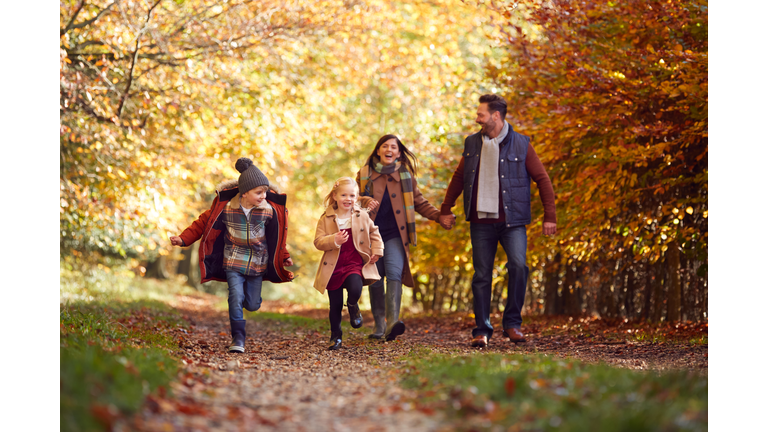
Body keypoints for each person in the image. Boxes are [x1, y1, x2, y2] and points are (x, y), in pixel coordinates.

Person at [439, 94, 557, 348]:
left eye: (481, 114)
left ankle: (513, 324)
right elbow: (459, 177)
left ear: (495, 115)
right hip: (481, 222)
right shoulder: (472, 143)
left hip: (512, 222)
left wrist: (550, 216)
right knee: (482, 275)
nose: (477, 118)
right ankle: (481, 330)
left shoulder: (522, 144)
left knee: (518, 266)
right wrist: (445, 209)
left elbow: (543, 179)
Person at [170, 158, 294, 353]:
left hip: (257, 263)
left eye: (265, 191)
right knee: (235, 296)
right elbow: (202, 223)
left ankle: (249, 302)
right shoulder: (227, 208)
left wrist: (284, 256)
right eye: (259, 192)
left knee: (252, 304)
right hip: (233, 259)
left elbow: (277, 238)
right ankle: (238, 338)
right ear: (244, 192)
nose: (264, 195)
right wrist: (183, 239)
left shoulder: (268, 211)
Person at [357, 135, 447, 341]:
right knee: (375, 277)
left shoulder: (405, 176)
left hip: (396, 235)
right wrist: (363, 200)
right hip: (371, 235)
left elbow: (420, 203)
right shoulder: (364, 174)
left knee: (394, 273)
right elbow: (352, 201)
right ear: (378, 151)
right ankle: (379, 325)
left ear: (398, 153)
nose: (389, 149)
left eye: (393, 147)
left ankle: (392, 324)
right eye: (385, 146)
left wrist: (439, 217)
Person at [313, 177, 384, 350]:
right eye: (344, 195)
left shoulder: (362, 216)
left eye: (352, 195)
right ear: (335, 196)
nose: (348, 199)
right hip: (333, 266)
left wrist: (376, 250)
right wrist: (334, 239)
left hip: (353, 263)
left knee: (355, 288)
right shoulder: (326, 218)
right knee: (335, 305)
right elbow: (318, 241)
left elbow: (374, 233)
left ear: (357, 197)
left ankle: (352, 305)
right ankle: (335, 337)